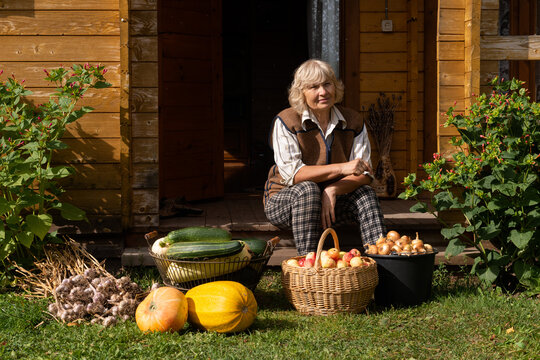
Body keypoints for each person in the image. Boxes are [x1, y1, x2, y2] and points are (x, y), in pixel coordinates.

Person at [263, 59, 386, 255]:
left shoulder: (352, 121)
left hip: (334, 202)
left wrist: (332, 189)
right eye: (314, 87)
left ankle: (382, 263)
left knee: (366, 194)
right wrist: (341, 168)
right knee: (308, 189)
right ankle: (308, 268)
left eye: (327, 84)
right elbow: (294, 175)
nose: (323, 92)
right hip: (286, 201)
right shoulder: (286, 121)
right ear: (301, 92)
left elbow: (365, 174)